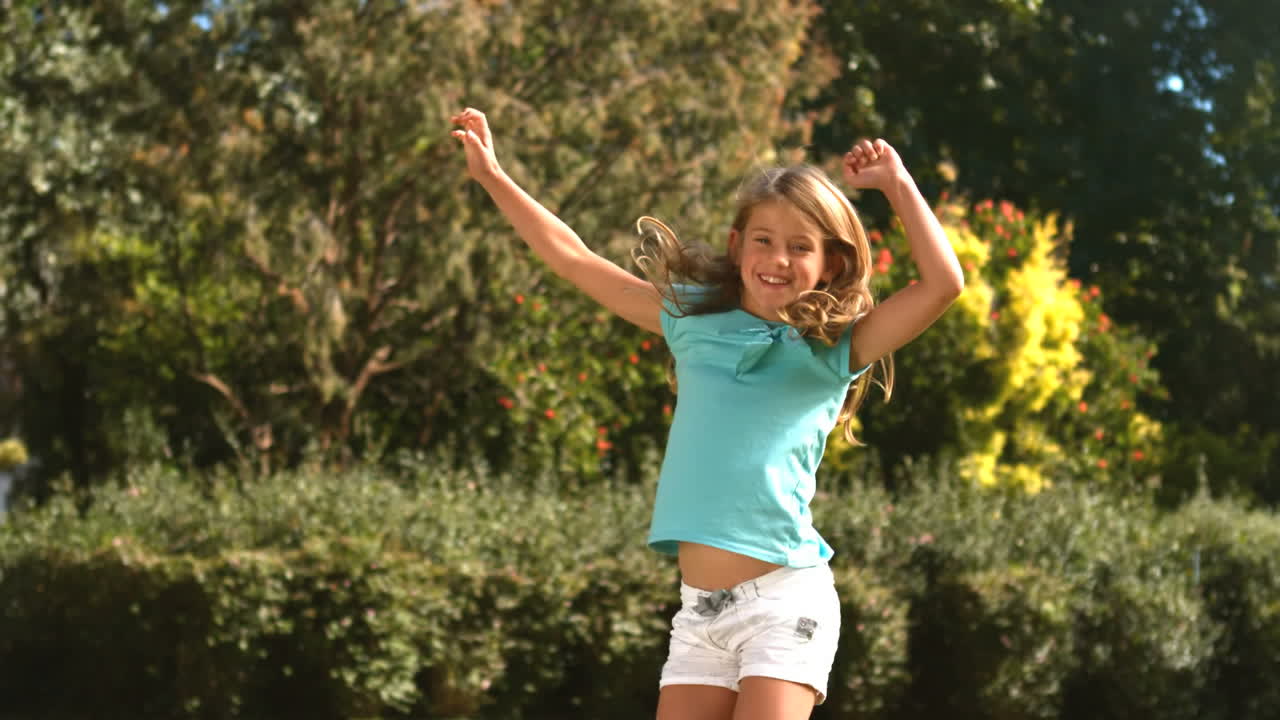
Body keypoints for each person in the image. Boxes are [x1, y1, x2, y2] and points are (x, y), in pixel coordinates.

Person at [451, 107, 962, 720]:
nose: (778, 258)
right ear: (736, 245)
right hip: (700, 613)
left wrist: (898, 186)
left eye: (801, 247)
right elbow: (575, 258)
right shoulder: (692, 323)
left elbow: (942, 285)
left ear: (830, 263)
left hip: (784, 603)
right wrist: (492, 176)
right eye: (764, 240)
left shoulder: (832, 349)